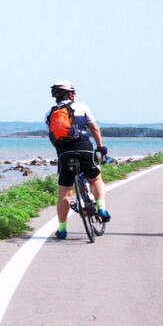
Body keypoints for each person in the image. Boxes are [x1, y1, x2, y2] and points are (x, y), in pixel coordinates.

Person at [46, 81, 110, 239]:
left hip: (64, 152)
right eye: (73, 93)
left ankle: (62, 229)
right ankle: (101, 208)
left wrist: (61, 153)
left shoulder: (49, 113)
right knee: (95, 179)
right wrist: (101, 146)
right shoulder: (82, 106)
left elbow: (53, 136)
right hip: (83, 147)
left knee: (65, 193)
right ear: (70, 94)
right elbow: (94, 128)